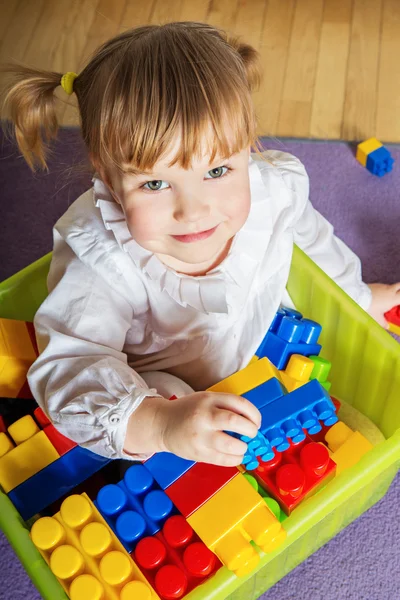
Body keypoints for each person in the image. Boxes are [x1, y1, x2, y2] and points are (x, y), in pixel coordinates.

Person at [2, 22, 399, 466]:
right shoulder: (101, 257)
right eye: (154, 183)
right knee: (170, 411)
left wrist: (358, 295)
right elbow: (71, 364)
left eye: (216, 172)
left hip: (253, 323)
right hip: (158, 380)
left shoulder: (274, 186)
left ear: (247, 145)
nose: (193, 211)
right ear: (106, 173)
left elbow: (314, 238)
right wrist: (159, 422)